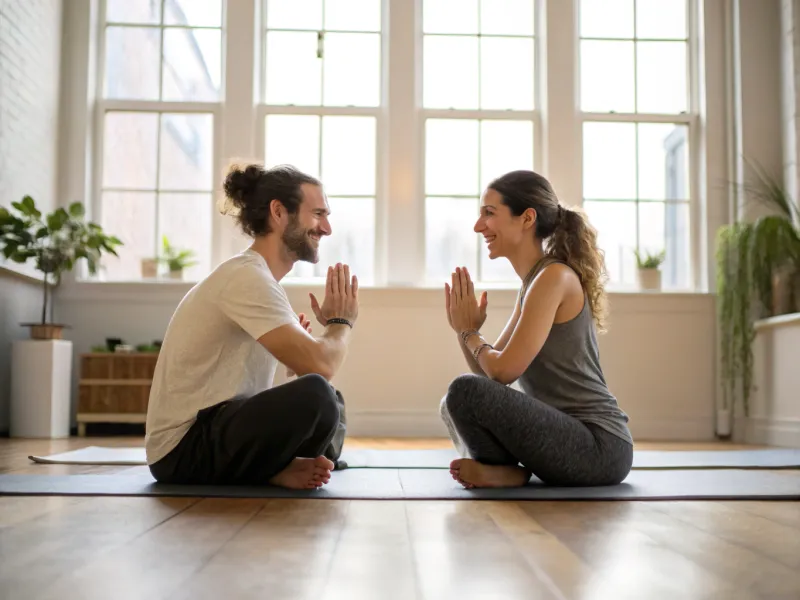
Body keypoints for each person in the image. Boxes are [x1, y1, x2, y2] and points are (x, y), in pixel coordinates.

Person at [144, 163, 359, 490]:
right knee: (318, 393)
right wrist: (340, 322)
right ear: (279, 212)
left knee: (328, 398)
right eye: (318, 214)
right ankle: (270, 470)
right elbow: (323, 363)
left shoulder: (262, 281)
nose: (327, 228)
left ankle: (274, 469)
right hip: (184, 450)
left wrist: (298, 362)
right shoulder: (246, 277)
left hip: (214, 432)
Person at [440, 169, 633, 489]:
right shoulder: (534, 282)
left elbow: (502, 372)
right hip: (568, 439)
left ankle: (505, 471)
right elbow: (490, 373)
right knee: (454, 400)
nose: (478, 226)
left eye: (489, 213)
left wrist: (470, 333)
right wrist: (464, 330)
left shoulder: (553, 278)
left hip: (600, 447)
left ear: (527, 218)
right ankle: (504, 471)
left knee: (464, 390)